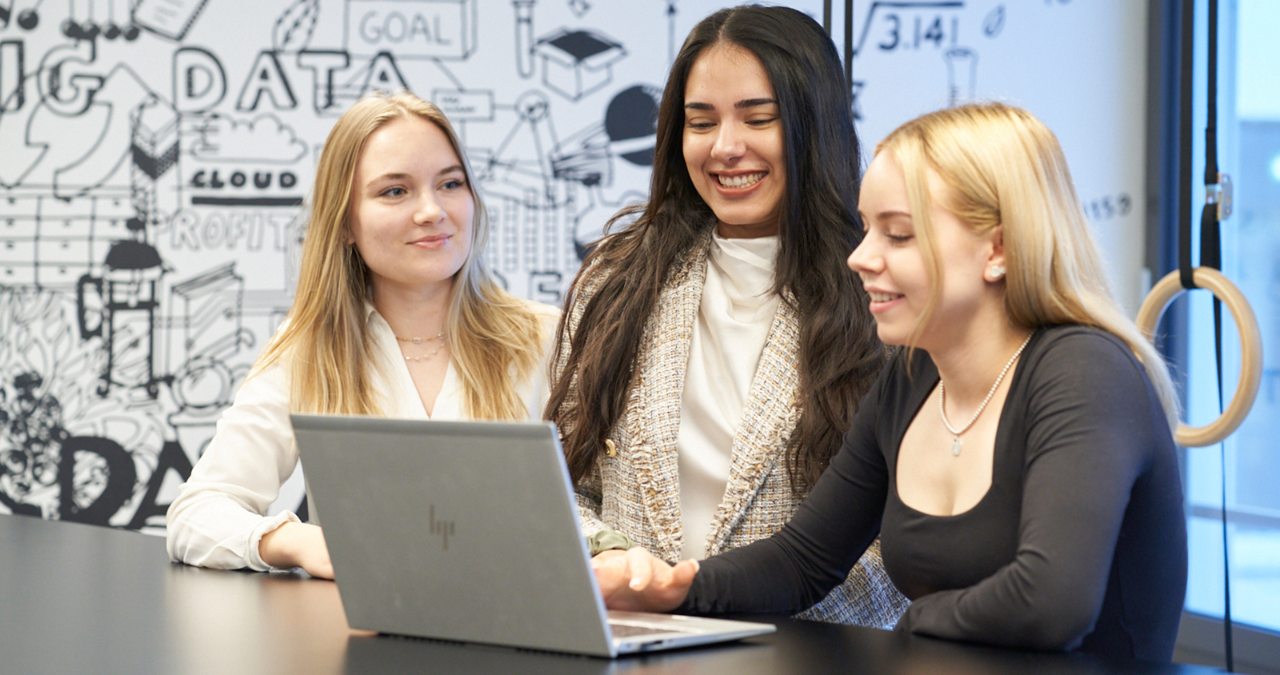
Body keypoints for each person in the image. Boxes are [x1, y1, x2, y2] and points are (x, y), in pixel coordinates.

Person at [592, 102, 1188, 662]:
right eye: (867, 228)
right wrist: (676, 586)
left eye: (897, 235)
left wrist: (912, 624)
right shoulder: (911, 379)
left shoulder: (1084, 372)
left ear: (998, 250)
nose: (861, 256)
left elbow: (1052, 603)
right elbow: (804, 561)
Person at [545, 5, 907, 626]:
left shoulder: (883, 292)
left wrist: (718, 595)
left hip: (812, 652)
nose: (725, 148)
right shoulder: (620, 279)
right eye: (700, 122)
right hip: (636, 644)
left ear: (813, 124)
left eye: (758, 118)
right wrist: (619, 567)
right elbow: (561, 483)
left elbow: (903, 542)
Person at [167, 92, 560, 578]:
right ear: (346, 222)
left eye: (450, 183)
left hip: (524, 635)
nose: (431, 211)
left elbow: (602, 512)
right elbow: (196, 514)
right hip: (361, 640)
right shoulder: (310, 347)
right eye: (395, 191)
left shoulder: (548, 337)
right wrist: (300, 542)